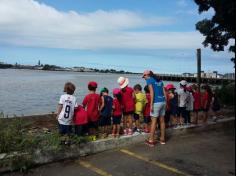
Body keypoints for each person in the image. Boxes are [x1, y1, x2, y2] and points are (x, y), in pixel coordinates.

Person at [142, 70, 166, 147]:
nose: (144, 78)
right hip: (163, 102)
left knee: (153, 122)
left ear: (148, 75)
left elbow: (152, 93)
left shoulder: (149, 80)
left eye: (144, 76)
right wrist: (165, 101)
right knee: (162, 121)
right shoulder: (159, 79)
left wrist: (151, 104)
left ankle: (151, 140)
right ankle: (162, 139)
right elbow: (164, 91)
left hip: (156, 102)